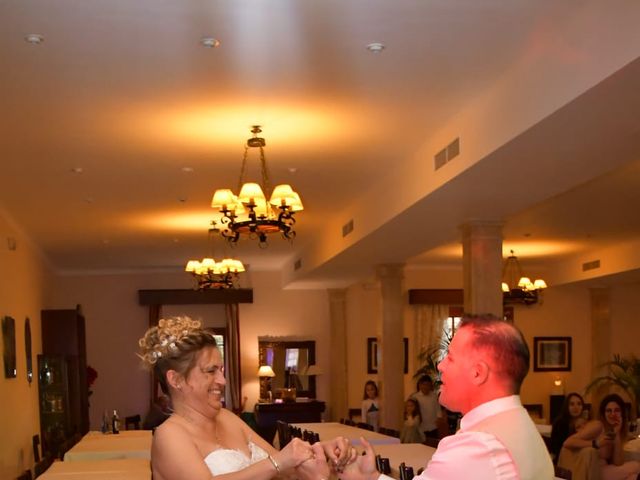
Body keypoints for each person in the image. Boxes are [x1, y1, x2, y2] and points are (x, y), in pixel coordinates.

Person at [339, 314, 555, 480]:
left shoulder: (478, 445)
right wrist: (372, 477)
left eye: (450, 358)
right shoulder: (519, 425)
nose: (441, 365)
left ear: (477, 373)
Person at [138, 316, 347, 480]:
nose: (222, 380)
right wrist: (277, 462)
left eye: (221, 370)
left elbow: (285, 469)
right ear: (176, 380)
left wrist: (321, 452)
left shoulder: (226, 417)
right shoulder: (169, 435)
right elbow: (277, 463)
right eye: (210, 371)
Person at [559, 393, 640, 480]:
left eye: (617, 410)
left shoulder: (614, 431)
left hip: (605, 471)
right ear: (603, 413)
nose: (613, 414)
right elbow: (568, 442)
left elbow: (617, 462)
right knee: (636, 466)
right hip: (590, 472)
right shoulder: (598, 426)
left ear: (622, 413)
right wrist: (596, 443)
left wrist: (617, 433)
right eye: (608, 411)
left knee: (633, 477)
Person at [550, 392, 586, 463]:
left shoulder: (585, 422)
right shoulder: (560, 423)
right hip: (563, 458)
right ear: (566, 406)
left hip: (580, 457)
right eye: (572, 404)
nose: (576, 407)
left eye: (579, 404)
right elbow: (558, 448)